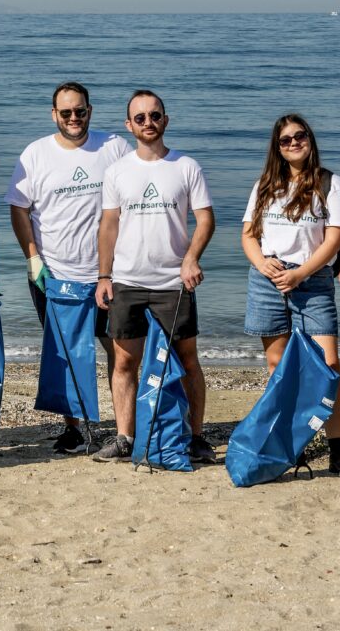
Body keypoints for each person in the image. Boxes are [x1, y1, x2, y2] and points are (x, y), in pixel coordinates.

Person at [7, 81, 131, 453]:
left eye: (80, 111)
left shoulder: (114, 147)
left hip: (109, 274)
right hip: (55, 274)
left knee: (118, 349)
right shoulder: (35, 154)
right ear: (54, 115)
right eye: (66, 113)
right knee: (67, 352)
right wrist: (32, 257)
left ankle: (125, 428)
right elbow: (18, 207)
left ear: (90, 111)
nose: (73, 118)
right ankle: (75, 427)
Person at [95, 90, 216, 463]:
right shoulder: (117, 170)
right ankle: (124, 437)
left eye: (155, 115)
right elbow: (109, 225)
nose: (148, 123)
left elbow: (206, 219)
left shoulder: (186, 167)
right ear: (129, 125)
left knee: (186, 360)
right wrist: (104, 275)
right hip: (128, 281)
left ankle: (195, 436)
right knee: (124, 362)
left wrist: (191, 259)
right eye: (140, 118)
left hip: (173, 284)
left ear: (165, 119)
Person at [241, 114, 340, 476]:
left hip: (312, 282)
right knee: (279, 368)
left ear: (310, 139)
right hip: (268, 282)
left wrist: (301, 274)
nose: (293, 143)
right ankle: (293, 445)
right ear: (277, 147)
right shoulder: (266, 183)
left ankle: (339, 449)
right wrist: (263, 264)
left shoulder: (330, 183)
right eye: (285, 139)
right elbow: (248, 235)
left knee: (328, 367)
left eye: (299, 136)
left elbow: (334, 238)